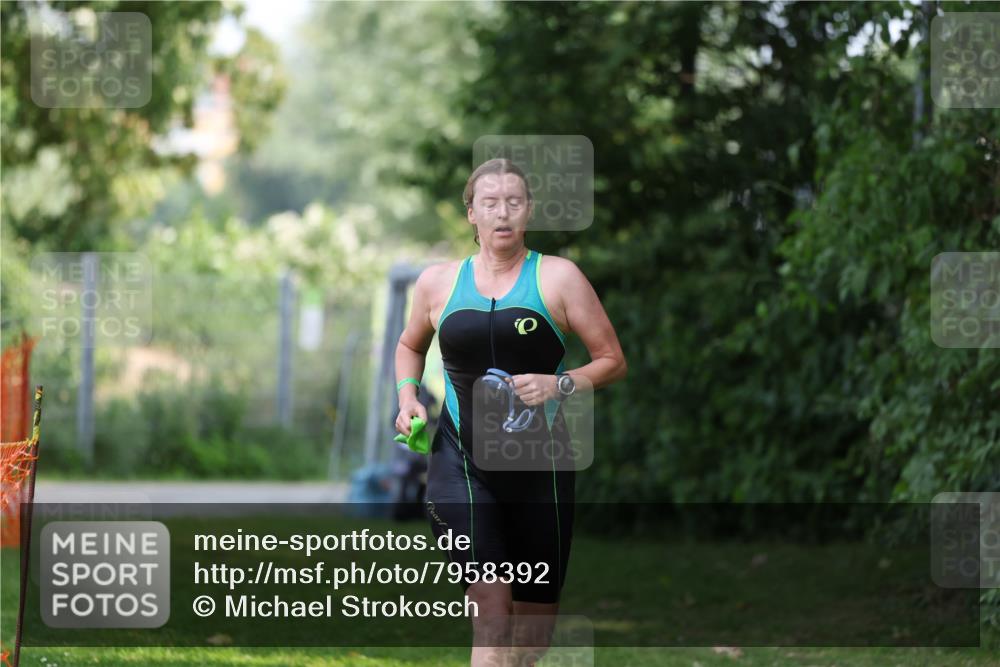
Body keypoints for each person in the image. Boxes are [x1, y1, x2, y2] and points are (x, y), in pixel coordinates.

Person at [394, 158, 627, 667]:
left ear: (529, 212)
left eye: (514, 203)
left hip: (540, 471)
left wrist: (559, 383)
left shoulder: (559, 278)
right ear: (471, 214)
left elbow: (612, 361)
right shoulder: (437, 284)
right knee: (491, 611)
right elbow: (410, 345)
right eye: (491, 203)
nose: (503, 213)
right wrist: (408, 397)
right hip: (460, 466)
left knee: (531, 637)